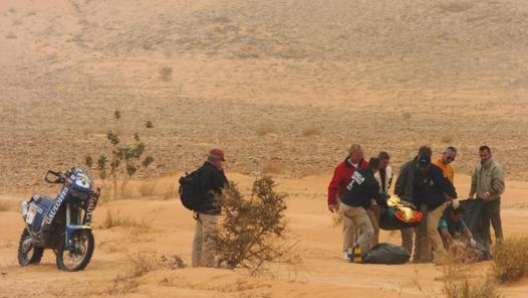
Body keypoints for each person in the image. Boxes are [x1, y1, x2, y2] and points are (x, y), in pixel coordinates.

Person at [340, 157, 388, 262]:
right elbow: (377, 198)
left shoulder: (358, 171)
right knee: (369, 231)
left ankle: (357, 254)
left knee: (355, 230)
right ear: (378, 167)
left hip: (343, 203)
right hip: (354, 207)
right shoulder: (372, 182)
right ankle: (354, 253)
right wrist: (387, 205)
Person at [414, 154, 459, 262]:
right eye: (421, 166)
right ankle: (439, 254)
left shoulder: (437, 171)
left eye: (425, 167)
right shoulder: (418, 171)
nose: (423, 169)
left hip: (438, 203)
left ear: (429, 164)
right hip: (427, 204)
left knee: (431, 229)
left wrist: (454, 197)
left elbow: (446, 185)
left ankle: (442, 256)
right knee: (427, 230)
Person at [327, 144, 368, 259]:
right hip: (345, 201)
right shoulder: (341, 168)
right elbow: (333, 185)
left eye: (361, 155)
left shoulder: (365, 165)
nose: (360, 157)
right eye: (357, 155)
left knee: (360, 228)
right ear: (351, 154)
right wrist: (331, 202)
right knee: (349, 226)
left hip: (361, 202)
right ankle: (347, 250)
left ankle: (357, 251)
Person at [192, 148, 229, 267]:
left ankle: (196, 265)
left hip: (199, 211)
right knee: (209, 239)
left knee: (198, 239)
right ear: (216, 160)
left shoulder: (200, 171)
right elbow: (226, 186)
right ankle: (207, 266)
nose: (221, 163)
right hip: (210, 212)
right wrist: (221, 172)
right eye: (220, 161)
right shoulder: (214, 173)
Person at [394, 146, 432, 261]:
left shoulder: (429, 167)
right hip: (407, 203)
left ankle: (418, 258)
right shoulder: (407, 167)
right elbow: (399, 186)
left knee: (422, 232)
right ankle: (405, 257)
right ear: (419, 154)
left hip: (422, 205)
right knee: (408, 233)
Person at [468, 145, 505, 244]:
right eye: (481, 156)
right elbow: (474, 183)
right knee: (483, 224)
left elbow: (498, 185)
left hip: (493, 201)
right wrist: (471, 195)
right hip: (480, 201)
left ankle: (500, 244)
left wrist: (488, 192)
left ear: (490, 154)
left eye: (485, 155)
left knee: (496, 223)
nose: (483, 158)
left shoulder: (496, 168)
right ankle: (487, 245)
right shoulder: (478, 167)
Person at [370, 151, 393, 247]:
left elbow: (389, 182)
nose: (385, 165)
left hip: (383, 201)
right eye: (384, 162)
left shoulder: (389, 170)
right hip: (374, 203)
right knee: (374, 228)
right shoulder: (373, 172)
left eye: (387, 162)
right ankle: (373, 247)